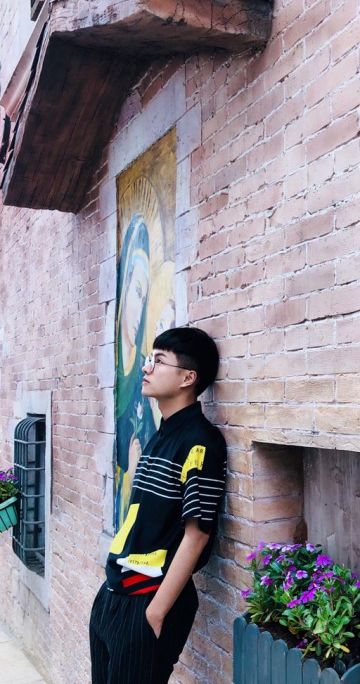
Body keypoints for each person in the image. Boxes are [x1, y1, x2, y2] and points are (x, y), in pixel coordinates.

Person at [90, 327, 227, 684]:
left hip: (147, 603)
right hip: (114, 595)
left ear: (187, 378)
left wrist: (156, 612)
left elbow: (197, 535)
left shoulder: (200, 442)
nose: (146, 368)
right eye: (149, 359)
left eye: (159, 361)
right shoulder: (160, 435)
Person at [115, 214, 155, 530]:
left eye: (145, 297)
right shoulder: (118, 373)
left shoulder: (146, 373)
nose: (139, 309)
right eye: (136, 292)